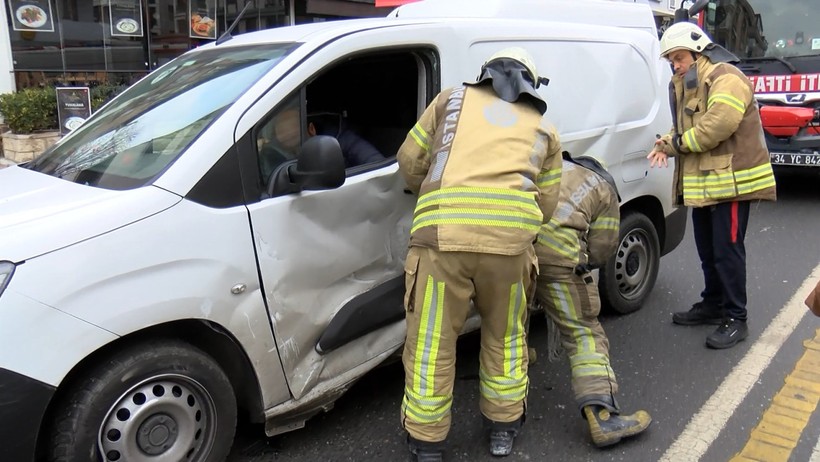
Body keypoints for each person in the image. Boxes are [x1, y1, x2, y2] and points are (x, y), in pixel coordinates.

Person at [396, 47, 562, 461]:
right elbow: (547, 204)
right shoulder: (544, 128)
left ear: (484, 75)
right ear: (530, 84)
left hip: (442, 242)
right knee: (505, 337)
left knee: (433, 342)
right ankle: (502, 430)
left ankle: (427, 444)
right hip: (509, 250)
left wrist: (433, 191)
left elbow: (409, 160)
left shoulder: (449, 101)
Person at [647, 22, 777, 349]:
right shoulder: (691, 82)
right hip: (707, 183)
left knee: (727, 252)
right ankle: (713, 303)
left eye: (678, 57)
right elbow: (688, 125)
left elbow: (717, 125)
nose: (675, 65)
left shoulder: (726, 78)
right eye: (671, 60)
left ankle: (737, 317)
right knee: (708, 251)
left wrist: (674, 144)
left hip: (732, 183)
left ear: (697, 51)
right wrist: (665, 141)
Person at [534, 153, 651, 448]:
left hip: (513, 251)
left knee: (505, 327)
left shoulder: (548, 166)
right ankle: (603, 416)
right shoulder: (604, 188)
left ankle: (503, 417)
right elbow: (602, 247)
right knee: (583, 333)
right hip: (560, 263)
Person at [307, 111, 385, 168]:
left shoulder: (340, 139)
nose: (294, 130)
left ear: (311, 129)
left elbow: (377, 163)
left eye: (295, 126)